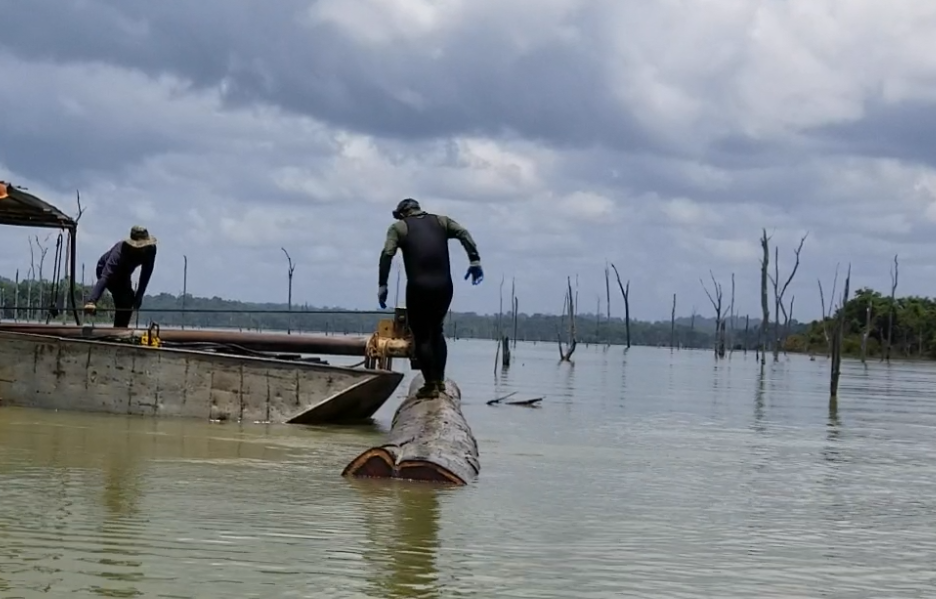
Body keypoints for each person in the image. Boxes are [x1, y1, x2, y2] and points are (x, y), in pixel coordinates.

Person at [378, 198, 483, 398]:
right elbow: (463, 233)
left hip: (419, 287)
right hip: (444, 286)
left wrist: (383, 284)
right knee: (436, 331)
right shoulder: (442, 222)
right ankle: (440, 382)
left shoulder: (399, 228)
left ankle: (430, 385)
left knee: (422, 335)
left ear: (403, 213)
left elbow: (387, 253)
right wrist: (474, 260)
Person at [84, 226, 157, 328]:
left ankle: (120, 329)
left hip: (125, 273)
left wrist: (139, 295)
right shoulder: (120, 251)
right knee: (123, 299)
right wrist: (92, 301)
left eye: (144, 245)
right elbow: (105, 276)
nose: (143, 249)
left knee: (129, 301)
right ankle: (118, 330)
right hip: (105, 269)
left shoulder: (151, 250)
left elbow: (146, 273)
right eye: (140, 246)